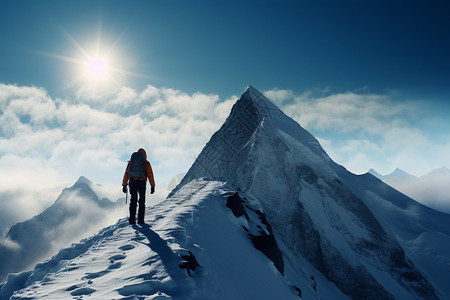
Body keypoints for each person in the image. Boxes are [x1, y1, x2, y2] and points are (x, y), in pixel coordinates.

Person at [122, 148, 155, 224]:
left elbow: (126, 173)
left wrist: (124, 185)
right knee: (141, 201)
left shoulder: (131, 162)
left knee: (133, 201)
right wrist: (152, 186)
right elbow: (150, 175)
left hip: (132, 182)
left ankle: (132, 220)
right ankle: (140, 220)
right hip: (141, 182)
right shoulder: (146, 163)